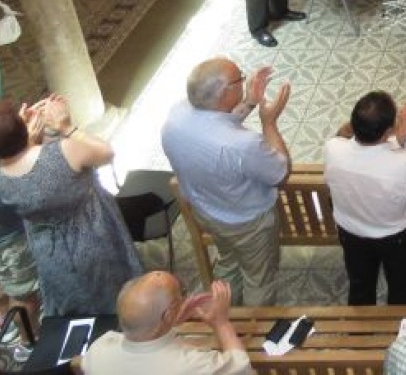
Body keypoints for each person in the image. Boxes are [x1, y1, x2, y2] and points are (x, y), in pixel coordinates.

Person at [161, 58, 291, 306]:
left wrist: (250, 101)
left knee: (229, 260)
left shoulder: (176, 116)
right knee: (258, 278)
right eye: (240, 79)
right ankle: (253, 329)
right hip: (248, 223)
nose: (245, 78)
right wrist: (269, 122)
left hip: (207, 211)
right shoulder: (243, 145)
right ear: (225, 93)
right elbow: (280, 174)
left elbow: (217, 124)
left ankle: (223, 309)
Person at [0, 96, 140, 317]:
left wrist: (24, 138)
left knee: (76, 301)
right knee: (119, 294)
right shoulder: (63, 152)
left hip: (49, 250)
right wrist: (67, 126)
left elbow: (26, 171)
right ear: (20, 129)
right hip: (94, 235)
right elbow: (106, 152)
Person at [324, 91, 406, 306]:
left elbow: (363, 147)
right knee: (402, 288)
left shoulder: (332, 149)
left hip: (351, 233)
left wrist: (396, 138)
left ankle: (360, 333)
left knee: (360, 286)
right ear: (387, 131)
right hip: (398, 237)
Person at [82, 275, 250, 375]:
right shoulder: (192, 365)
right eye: (182, 293)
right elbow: (242, 368)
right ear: (168, 314)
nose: (186, 296)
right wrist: (221, 323)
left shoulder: (97, 350)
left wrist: (170, 322)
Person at [0, 202, 40, 349]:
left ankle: (9, 324)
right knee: (24, 295)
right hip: (10, 239)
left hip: (7, 236)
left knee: (12, 286)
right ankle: (29, 343)